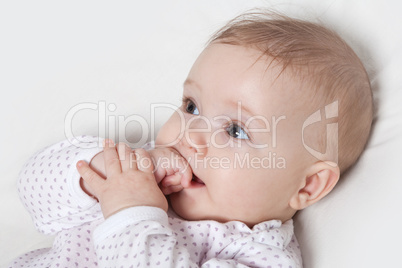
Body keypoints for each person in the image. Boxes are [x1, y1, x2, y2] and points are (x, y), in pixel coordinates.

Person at [9, 11, 373, 268]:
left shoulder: (257, 255)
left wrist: (133, 212)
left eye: (235, 130)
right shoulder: (140, 171)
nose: (191, 136)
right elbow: (33, 191)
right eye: (192, 106)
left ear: (308, 185)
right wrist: (103, 175)